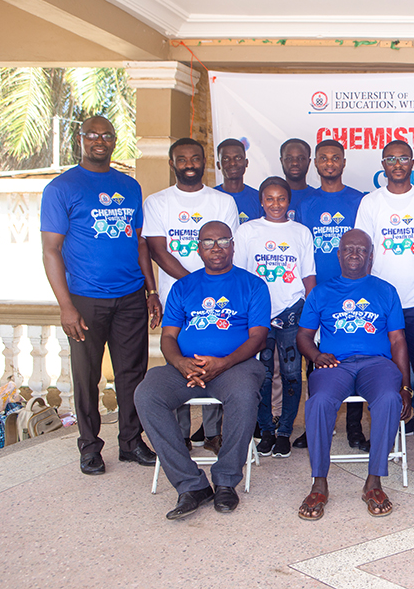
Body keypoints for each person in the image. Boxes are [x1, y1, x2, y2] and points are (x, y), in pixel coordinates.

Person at [40, 116, 162, 475]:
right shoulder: (62, 188)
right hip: (85, 299)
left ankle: (131, 442)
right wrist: (65, 306)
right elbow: (51, 250)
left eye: (106, 135)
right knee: (86, 376)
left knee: (132, 374)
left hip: (130, 297)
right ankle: (90, 447)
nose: (100, 141)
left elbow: (138, 242)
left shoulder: (129, 185)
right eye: (92, 135)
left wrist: (151, 290)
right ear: (81, 139)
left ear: (113, 141)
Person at [134, 221, 269, 520]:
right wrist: (181, 363)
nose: (216, 247)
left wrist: (224, 363)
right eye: (208, 242)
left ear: (233, 245)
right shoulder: (184, 286)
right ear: (198, 248)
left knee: (245, 395)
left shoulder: (253, 285)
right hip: (187, 366)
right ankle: (191, 484)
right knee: (147, 394)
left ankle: (225, 480)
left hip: (235, 366)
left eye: (223, 240)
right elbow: (168, 337)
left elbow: (258, 337)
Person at [296, 229, 413, 520]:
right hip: (335, 363)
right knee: (320, 401)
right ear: (338, 254)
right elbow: (303, 336)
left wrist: (406, 387)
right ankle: (319, 482)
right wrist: (314, 355)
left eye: (361, 250)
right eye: (348, 249)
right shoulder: (321, 292)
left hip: (377, 363)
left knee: (388, 399)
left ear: (370, 256)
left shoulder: (386, 290)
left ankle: (373, 481)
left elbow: (398, 341)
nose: (354, 254)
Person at [143, 137, 240, 454]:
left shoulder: (222, 202)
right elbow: (158, 250)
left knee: (212, 353)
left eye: (195, 157)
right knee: (180, 361)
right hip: (177, 296)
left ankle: (212, 432)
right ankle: (181, 434)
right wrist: (195, 284)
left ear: (205, 162)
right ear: (172, 163)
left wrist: (209, 284)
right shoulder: (157, 202)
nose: (189, 163)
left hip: (218, 298)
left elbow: (225, 248)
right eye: (181, 158)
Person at [355, 140, 414, 450]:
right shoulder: (370, 202)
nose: (397, 164)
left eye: (403, 158)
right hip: (382, 304)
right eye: (390, 158)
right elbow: (363, 252)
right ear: (383, 164)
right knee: (383, 368)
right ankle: (387, 427)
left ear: (413, 164)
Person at [296, 139, 370, 451]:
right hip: (317, 291)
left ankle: (354, 428)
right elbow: (299, 249)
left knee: (353, 354)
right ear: (316, 163)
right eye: (323, 158)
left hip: (352, 290)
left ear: (343, 162)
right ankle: (316, 423)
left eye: (335, 158)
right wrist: (312, 294)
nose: (329, 163)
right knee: (315, 358)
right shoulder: (305, 203)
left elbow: (365, 247)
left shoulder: (358, 200)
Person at [234, 176, 316, 458]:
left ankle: (284, 431)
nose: (275, 204)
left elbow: (308, 275)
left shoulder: (301, 232)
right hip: (258, 313)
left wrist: (312, 315)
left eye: (281, 198)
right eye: (269, 199)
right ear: (261, 201)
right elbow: (240, 277)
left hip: (292, 310)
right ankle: (266, 430)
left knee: (293, 374)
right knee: (264, 374)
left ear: (289, 201)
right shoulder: (247, 231)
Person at [214, 138, 262, 225]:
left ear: (246, 162)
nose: (232, 163)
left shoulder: (259, 198)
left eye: (238, 158)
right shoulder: (210, 198)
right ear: (218, 165)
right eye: (226, 159)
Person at [280, 138, 316, 223]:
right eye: (289, 158)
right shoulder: (271, 199)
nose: (295, 163)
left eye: (300, 158)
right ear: (282, 161)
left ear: (309, 161)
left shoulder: (317, 197)